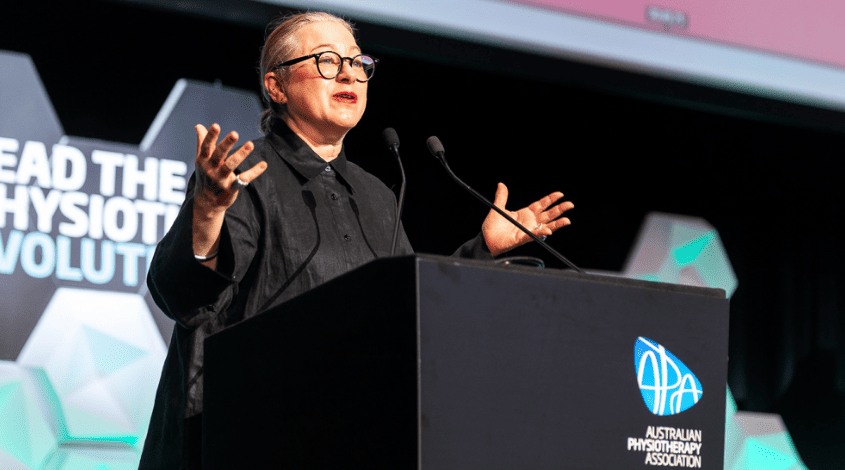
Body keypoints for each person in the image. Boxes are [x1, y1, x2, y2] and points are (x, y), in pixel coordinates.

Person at [138, 11, 574, 470]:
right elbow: (183, 299)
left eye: (358, 62)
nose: (349, 72)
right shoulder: (245, 176)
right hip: (242, 440)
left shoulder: (376, 196)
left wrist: (480, 251)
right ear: (276, 86)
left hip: (346, 439)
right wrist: (207, 210)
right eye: (327, 60)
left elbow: (405, 308)